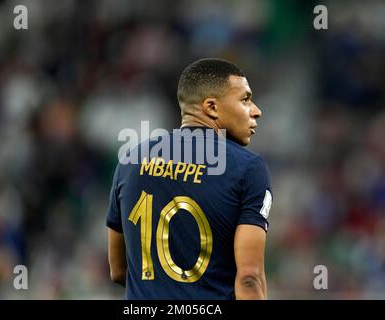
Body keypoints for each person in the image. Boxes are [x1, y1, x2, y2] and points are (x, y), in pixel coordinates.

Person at [107, 58, 272, 300]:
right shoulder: (248, 169)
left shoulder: (131, 159)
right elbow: (249, 278)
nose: (256, 110)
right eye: (245, 99)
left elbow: (118, 270)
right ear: (212, 108)